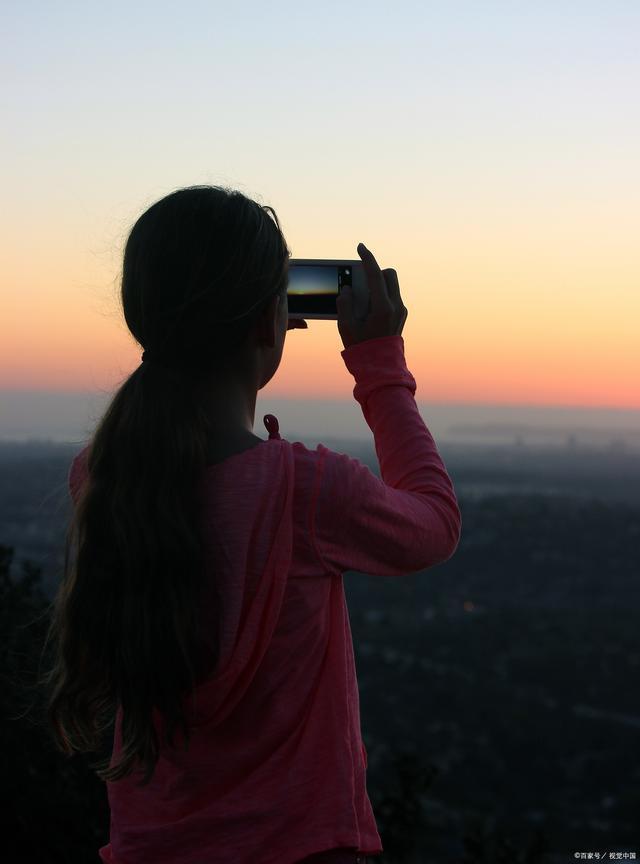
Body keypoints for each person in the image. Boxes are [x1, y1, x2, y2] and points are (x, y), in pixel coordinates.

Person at [42, 185, 462, 864]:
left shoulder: (102, 474)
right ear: (272, 322)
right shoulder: (306, 490)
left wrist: (255, 315)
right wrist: (380, 366)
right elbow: (435, 524)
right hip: (302, 849)